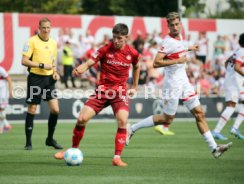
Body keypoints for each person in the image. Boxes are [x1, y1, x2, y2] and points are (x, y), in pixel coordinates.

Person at [126, 12, 232, 159]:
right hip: (172, 84)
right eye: (172, 25)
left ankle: (214, 148)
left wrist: (189, 49)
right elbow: (156, 63)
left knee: (199, 113)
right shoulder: (167, 41)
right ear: (168, 26)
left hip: (184, 82)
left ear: (180, 24)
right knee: (166, 119)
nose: (175, 27)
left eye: (177, 24)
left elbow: (177, 51)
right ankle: (132, 128)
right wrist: (177, 61)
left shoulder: (180, 37)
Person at [54, 23, 140, 167]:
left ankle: (117, 157)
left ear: (126, 37)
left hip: (119, 92)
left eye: (119, 38)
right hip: (102, 91)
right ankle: (73, 150)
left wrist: (135, 87)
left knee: (123, 120)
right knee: (81, 119)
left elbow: (137, 66)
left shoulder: (133, 53)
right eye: (114, 37)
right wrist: (81, 68)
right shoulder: (106, 49)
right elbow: (89, 62)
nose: (116, 41)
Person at [21, 17, 62, 150]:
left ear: (51, 28)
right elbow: (24, 61)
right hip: (35, 78)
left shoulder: (54, 43)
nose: (46, 30)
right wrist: (41, 65)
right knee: (32, 109)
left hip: (49, 79)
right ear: (39, 28)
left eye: (48, 27)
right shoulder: (31, 41)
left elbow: (53, 59)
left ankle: (50, 139)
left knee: (55, 110)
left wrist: (55, 71)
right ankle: (28, 142)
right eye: (43, 27)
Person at [212, 33, 244, 140]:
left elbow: (226, 63)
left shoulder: (236, 51)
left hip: (231, 82)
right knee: (231, 106)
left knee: (235, 106)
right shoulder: (242, 52)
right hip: (234, 84)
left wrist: (229, 75)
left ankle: (234, 128)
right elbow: (237, 67)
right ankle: (217, 131)